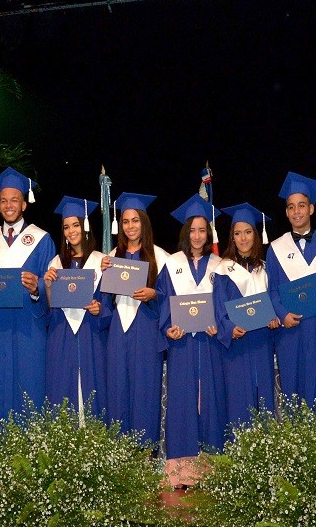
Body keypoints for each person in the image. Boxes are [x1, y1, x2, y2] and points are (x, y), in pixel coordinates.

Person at [0, 168, 56, 418]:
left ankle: (33, 449)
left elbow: (51, 286)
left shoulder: (42, 240)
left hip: (30, 325)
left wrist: (36, 288)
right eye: (4, 200)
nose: (9, 205)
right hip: (0, 327)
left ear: (24, 204)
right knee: (1, 385)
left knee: (31, 384)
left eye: (14, 200)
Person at [265, 171, 316, 411]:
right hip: (291, 330)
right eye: (291, 207)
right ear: (287, 212)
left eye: (301, 205)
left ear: (311, 208)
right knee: (293, 387)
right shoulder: (276, 249)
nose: (296, 211)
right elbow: (272, 290)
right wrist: (281, 314)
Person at [158, 194, 224, 464]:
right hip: (182, 344)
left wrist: (219, 325)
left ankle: (213, 463)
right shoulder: (171, 265)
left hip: (210, 343)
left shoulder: (220, 266)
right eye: (192, 230)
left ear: (208, 233)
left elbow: (224, 305)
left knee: (213, 398)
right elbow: (163, 301)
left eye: (202, 230)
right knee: (181, 400)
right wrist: (167, 329)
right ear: (186, 232)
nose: (197, 236)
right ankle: (181, 468)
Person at [101, 192, 169, 447]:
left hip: (146, 326)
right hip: (119, 326)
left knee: (145, 387)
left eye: (135, 220)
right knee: (117, 385)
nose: (130, 226)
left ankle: (144, 450)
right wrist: (103, 274)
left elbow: (169, 297)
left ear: (144, 223)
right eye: (126, 221)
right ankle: (119, 451)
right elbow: (103, 299)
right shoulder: (110, 257)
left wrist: (154, 294)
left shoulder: (160, 257)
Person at [212, 202, 279, 433]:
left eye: (248, 232)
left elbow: (273, 301)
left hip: (261, 343)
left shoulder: (266, 268)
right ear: (232, 237)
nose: (243, 238)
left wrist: (273, 319)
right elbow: (218, 308)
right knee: (239, 400)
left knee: (264, 399)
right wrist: (230, 328)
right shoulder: (223, 270)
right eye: (238, 233)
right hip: (237, 346)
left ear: (255, 235)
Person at [41, 196, 109, 418]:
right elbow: (50, 309)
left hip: (91, 333)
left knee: (94, 387)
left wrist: (100, 309)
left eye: (76, 225)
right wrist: (49, 286)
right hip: (62, 333)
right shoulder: (55, 263)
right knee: (61, 386)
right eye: (66, 227)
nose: (71, 231)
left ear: (85, 225)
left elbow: (109, 305)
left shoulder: (102, 261)